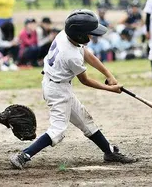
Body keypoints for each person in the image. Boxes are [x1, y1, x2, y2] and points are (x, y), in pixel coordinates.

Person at [9, 9, 138, 169]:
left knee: (85, 120)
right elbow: (85, 80)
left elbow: (86, 54)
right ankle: (23, 156)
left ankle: (109, 152)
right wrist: (111, 89)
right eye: (89, 33)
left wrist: (108, 74)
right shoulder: (70, 55)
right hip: (57, 90)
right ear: (79, 35)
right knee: (58, 130)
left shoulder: (65, 35)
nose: (92, 36)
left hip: (58, 85)